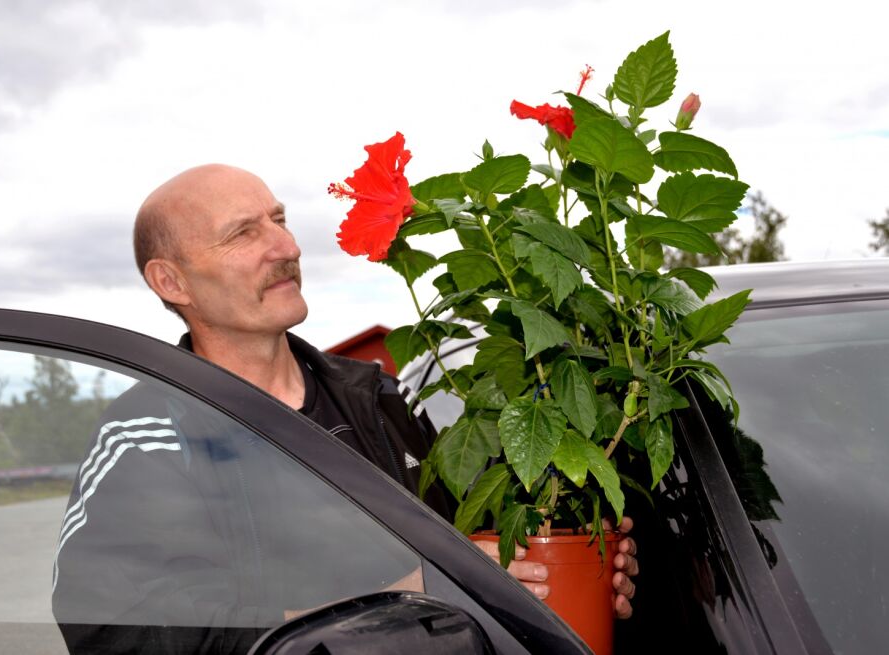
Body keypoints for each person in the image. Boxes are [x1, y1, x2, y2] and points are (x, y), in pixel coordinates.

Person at [52, 164, 638, 650]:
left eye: (279, 221)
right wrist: (400, 600)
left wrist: (566, 561)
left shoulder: (379, 398)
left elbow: (478, 541)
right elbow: (119, 630)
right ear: (171, 282)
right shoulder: (148, 435)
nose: (287, 247)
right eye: (243, 234)